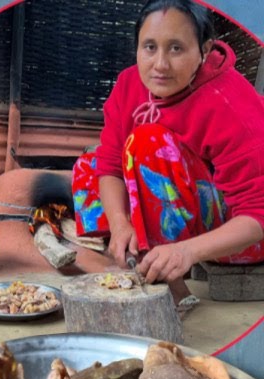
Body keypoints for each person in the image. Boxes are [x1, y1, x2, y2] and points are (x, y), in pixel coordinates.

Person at [72, 0, 264, 299]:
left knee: (148, 145)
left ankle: (170, 288)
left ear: (203, 50)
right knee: (88, 165)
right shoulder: (128, 84)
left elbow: (258, 213)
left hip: (241, 239)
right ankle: (136, 256)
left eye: (176, 48)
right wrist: (121, 225)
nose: (160, 64)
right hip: (189, 217)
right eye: (150, 47)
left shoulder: (229, 102)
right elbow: (108, 165)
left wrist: (187, 251)